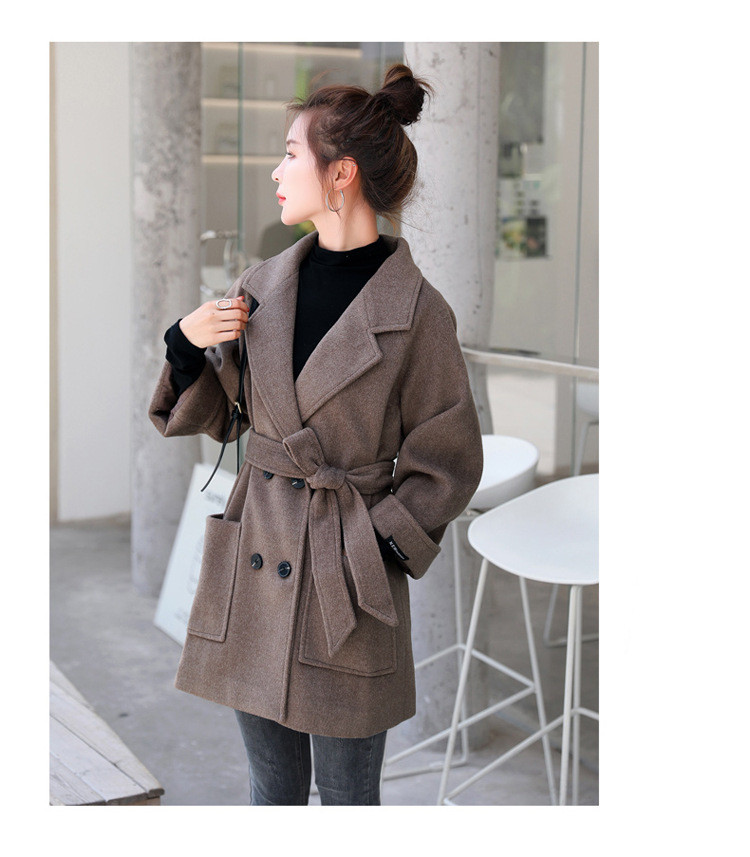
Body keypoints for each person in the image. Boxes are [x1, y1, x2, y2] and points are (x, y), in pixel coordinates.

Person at [149, 63, 484, 806]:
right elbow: (226, 417)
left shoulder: (418, 312)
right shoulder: (259, 287)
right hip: (260, 555)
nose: (277, 171)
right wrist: (184, 343)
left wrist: (377, 545)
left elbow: (449, 459)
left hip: (348, 580)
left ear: (341, 173)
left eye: (290, 153)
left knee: (347, 798)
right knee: (271, 788)